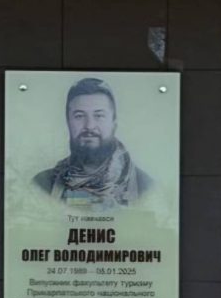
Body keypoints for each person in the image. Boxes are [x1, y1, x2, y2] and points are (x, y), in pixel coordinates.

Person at [32, 76, 152, 206]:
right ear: (68, 122)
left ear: (114, 122)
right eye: (79, 116)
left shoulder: (145, 186)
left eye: (99, 115)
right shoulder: (42, 185)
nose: (89, 126)